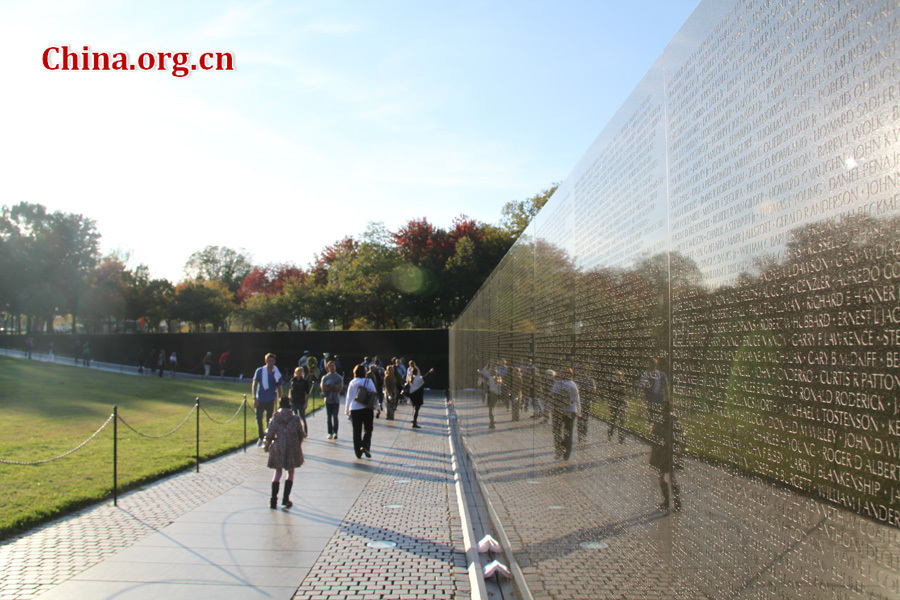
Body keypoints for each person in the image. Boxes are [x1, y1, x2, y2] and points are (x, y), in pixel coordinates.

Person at [264, 396, 306, 509]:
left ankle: (273, 500)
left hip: (278, 446)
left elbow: (270, 434)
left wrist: (267, 445)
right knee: (290, 472)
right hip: (291, 447)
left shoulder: (275, 418)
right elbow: (301, 433)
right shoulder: (295, 418)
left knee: (278, 472)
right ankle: (285, 499)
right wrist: (298, 443)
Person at [649, 400, 683, 512]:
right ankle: (677, 501)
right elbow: (681, 437)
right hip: (672, 452)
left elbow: (654, 437)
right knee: (672, 477)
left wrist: (654, 452)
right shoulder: (676, 421)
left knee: (662, 476)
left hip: (663, 453)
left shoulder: (659, 420)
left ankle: (666, 501)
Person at [345, 364, 377, 458]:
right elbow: (374, 394)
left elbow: (349, 397)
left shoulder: (352, 382)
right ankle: (365, 445)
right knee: (368, 429)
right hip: (367, 408)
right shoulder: (368, 381)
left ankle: (358, 452)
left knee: (356, 431)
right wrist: (377, 407)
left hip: (355, 409)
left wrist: (347, 410)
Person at [252, 353, 284, 447]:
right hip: (260, 398)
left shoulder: (276, 372)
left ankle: (268, 437)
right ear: (266, 361)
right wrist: (255, 398)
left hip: (270, 399)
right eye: (269, 361)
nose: (271, 363)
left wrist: (280, 399)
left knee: (269, 420)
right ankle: (261, 437)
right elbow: (255, 384)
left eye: (272, 361)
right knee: (259, 418)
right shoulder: (260, 371)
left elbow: (279, 387)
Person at [549, 368, 580, 461]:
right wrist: (579, 412)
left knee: (556, 431)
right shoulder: (573, 385)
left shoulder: (557, 384)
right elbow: (576, 399)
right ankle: (566, 455)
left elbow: (552, 395)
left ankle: (559, 449)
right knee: (568, 433)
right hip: (571, 411)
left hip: (558, 410)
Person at [640, 358, 669, 426]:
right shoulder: (645, 374)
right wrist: (642, 399)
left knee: (659, 416)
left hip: (660, 398)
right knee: (650, 415)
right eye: (651, 364)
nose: (652, 366)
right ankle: (652, 430)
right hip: (650, 398)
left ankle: (657, 430)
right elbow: (642, 387)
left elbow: (666, 387)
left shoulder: (662, 374)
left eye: (654, 364)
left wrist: (667, 399)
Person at [320, 361, 343, 439]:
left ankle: (335, 432)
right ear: (328, 368)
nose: (332, 368)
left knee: (335, 416)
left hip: (336, 400)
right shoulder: (325, 377)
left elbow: (340, 388)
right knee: (329, 416)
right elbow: (323, 388)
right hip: (328, 400)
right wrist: (333, 387)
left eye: (333, 366)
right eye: (330, 366)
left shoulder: (339, 377)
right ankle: (329, 432)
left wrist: (329, 387)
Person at [608, 370, 628, 443]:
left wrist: (625, 403)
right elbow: (610, 395)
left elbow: (624, 395)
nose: (618, 377)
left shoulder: (623, 383)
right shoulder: (612, 384)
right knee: (613, 421)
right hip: (614, 404)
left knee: (622, 421)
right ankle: (610, 435)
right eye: (617, 375)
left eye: (620, 376)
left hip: (622, 404)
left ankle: (621, 438)